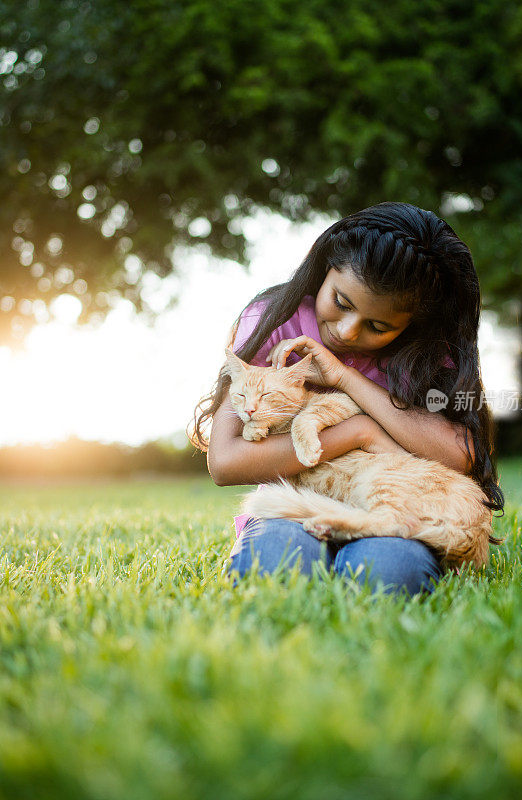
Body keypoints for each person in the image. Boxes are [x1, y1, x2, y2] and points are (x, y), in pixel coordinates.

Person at [192, 201, 504, 597]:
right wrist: (358, 433)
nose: (347, 331)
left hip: (394, 508)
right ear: (325, 268)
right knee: (272, 571)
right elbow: (225, 462)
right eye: (341, 302)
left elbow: (457, 455)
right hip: (295, 501)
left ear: (413, 323)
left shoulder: (427, 352)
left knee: (389, 576)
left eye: (377, 326)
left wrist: (346, 378)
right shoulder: (274, 318)